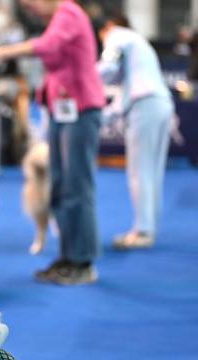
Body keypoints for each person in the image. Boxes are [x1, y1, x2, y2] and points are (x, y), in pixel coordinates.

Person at [0, 0, 105, 285]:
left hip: (81, 111)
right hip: (63, 112)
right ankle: (68, 257)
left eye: (29, 2)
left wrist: (2, 52)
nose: (28, 8)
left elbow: (47, 46)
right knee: (59, 186)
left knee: (77, 187)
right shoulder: (58, 18)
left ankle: (83, 261)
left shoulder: (69, 12)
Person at [97, 15, 174, 249]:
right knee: (152, 171)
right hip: (160, 103)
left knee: (139, 170)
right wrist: (100, 117)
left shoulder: (117, 36)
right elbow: (123, 95)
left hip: (146, 105)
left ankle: (142, 231)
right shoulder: (137, 44)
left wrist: (81, 78)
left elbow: (107, 68)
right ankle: (148, 227)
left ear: (107, 26)